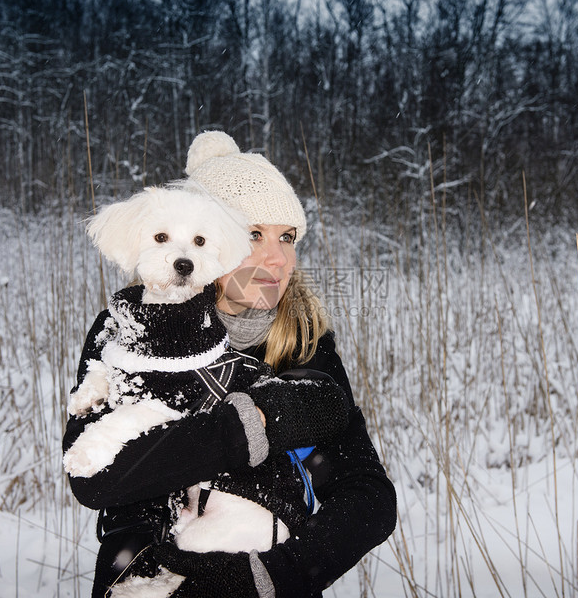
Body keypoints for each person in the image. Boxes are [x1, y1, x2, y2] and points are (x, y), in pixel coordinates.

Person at [63, 131, 396, 597]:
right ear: (209, 239)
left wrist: (274, 576)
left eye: (288, 237)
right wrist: (252, 424)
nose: (277, 258)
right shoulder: (129, 328)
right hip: (147, 582)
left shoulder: (304, 340)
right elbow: (95, 477)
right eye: (255, 234)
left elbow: (368, 497)